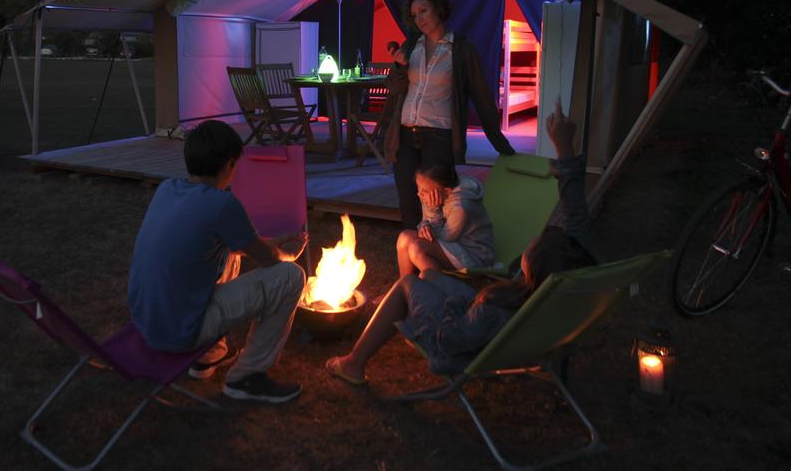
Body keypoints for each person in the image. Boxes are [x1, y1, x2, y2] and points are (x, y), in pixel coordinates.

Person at [326, 99, 595, 384]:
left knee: (408, 283)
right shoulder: (570, 276)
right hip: (483, 314)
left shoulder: (493, 313)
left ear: (535, 270)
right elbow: (577, 217)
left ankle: (354, 363)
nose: (531, 242)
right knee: (427, 275)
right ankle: (416, 290)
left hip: (453, 336)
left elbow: (452, 338)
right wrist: (565, 149)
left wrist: (453, 302)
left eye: (534, 246)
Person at [127, 120, 309, 403]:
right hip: (179, 332)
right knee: (290, 276)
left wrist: (273, 242)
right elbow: (268, 260)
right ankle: (246, 378)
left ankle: (209, 356)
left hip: (148, 321)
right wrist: (288, 254)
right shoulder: (222, 204)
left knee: (228, 250)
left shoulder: (167, 189)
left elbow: (245, 245)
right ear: (227, 166)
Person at [384, 0, 514, 231]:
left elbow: (482, 97)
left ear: (439, 9)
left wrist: (500, 143)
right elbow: (393, 88)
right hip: (405, 134)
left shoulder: (462, 50)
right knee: (408, 199)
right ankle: (410, 248)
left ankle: (437, 249)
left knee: (434, 202)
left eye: (424, 11)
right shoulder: (411, 46)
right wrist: (399, 67)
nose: (419, 18)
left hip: (439, 135)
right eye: (414, 15)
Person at [395, 162, 495, 277]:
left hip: (474, 255)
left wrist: (433, 211)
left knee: (417, 248)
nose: (419, 194)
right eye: (418, 188)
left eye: (425, 191)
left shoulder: (461, 208)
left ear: (446, 191)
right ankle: (405, 282)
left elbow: (443, 238)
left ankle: (439, 286)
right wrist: (424, 226)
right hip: (452, 245)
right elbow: (427, 223)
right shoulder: (432, 195)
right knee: (404, 237)